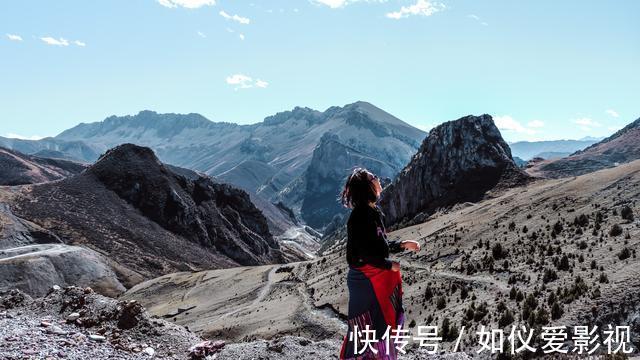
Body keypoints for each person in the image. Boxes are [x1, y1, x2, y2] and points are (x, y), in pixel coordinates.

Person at [338, 168, 421, 360]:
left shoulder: (373, 212)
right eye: (373, 177)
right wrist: (387, 265)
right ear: (366, 186)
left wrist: (402, 244)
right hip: (366, 280)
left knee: (377, 322)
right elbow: (364, 252)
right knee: (367, 323)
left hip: (372, 277)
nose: (378, 179)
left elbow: (378, 244)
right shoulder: (360, 215)